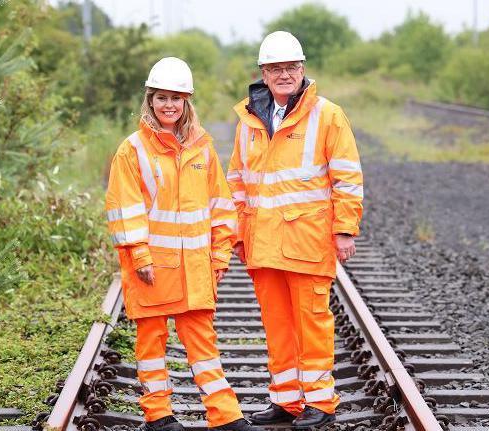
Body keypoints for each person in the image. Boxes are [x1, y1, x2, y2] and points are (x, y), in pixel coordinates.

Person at [106, 57, 262, 431]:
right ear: (150, 100)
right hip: (151, 267)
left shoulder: (202, 149)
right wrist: (140, 254)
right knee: (151, 344)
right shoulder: (133, 150)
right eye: (162, 98)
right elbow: (124, 208)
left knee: (204, 346)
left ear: (187, 102)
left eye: (176, 98)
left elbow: (221, 207)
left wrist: (221, 255)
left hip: (195, 268)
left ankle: (225, 416)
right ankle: (159, 416)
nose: (169, 105)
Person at [226, 31, 364, 428]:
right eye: (275, 69)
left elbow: (347, 178)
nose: (284, 74)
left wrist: (345, 229)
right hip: (263, 243)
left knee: (313, 323)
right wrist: (237, 232)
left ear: (302, 70)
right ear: (263, 73)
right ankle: (285, 401)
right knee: (277, 326)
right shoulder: (248, 120)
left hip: (307, 241)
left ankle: (321, 403)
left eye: (291, 67)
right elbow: (235, 179)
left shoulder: (327, 115)